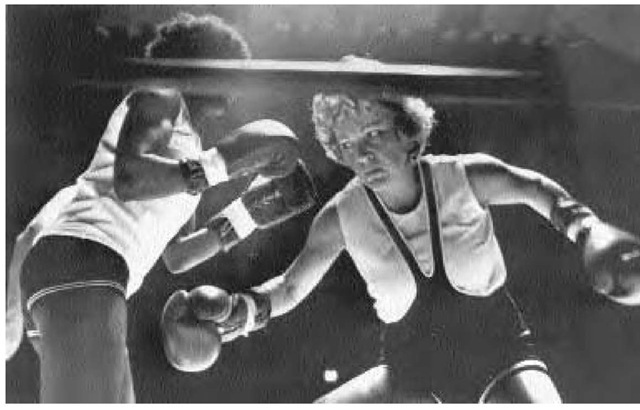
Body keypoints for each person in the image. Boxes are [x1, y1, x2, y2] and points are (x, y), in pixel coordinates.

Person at [162, 86, 640, 402]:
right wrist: (234, 313)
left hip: (500, 358)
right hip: (411, 380)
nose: (364, 153)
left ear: (409, 135)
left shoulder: (466, 175)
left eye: (374, 133)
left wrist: (589, 231)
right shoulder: (341, 216)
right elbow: (289, 289)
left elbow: (538, 190)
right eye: (349, 144)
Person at [5, 12, 309, 402]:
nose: (234, 93)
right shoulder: (161, 93)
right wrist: (222, 163)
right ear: (203, 65)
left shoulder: (188, 151)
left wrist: (249, 212)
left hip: (92, 273)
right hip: (85, 259)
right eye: (230, 74)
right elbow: (129, 178)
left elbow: (177, 256)